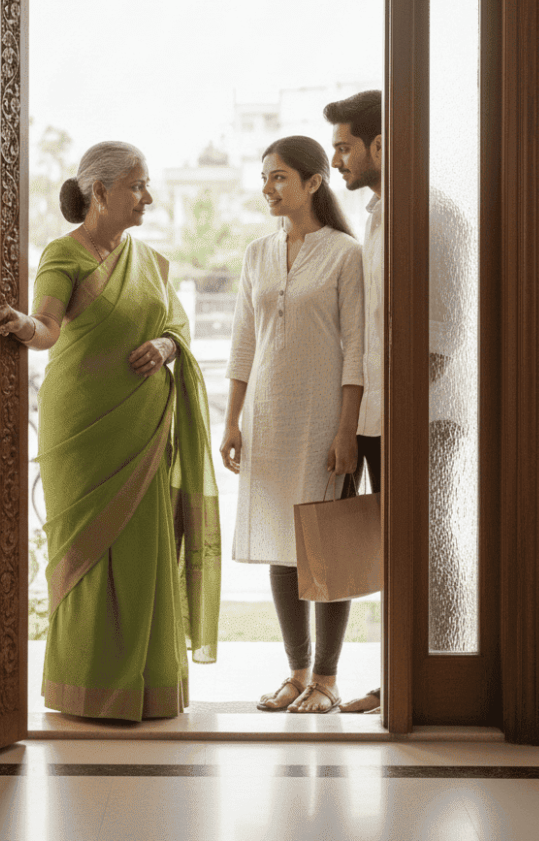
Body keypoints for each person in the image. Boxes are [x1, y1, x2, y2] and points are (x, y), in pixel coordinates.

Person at [0, 141, 220, 721]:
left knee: (145, 549)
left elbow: (176, 330)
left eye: (147, 184)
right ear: (101, 193)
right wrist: (19, 323)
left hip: (141, 425)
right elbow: (45, 328)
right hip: (83, 428)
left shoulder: (152, 263)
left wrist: (167, 346)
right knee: (86, 554)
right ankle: (83, 687)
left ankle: (148, 684)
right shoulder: (64, 255)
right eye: (137, 185)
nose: (147, 196)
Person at [325, 89, 472, 713]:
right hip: (384, 414)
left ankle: (435, 685)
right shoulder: (381, 215)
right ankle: (401, 682)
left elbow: (441, 339)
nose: (338, 163)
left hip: (425, 416)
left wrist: (400, 423)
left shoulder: (433, 214)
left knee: (428, 545)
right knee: (398, 548)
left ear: (381, 146)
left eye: (344, 148)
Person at [220, 135, 364, 714]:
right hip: (268, 418)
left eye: (280, 177)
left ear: (313, 182)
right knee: (284, 546)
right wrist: (231, 421)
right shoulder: (257, 253)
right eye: (264, 177)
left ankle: (327, 680)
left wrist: (347, 430)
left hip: (323, 417)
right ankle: (297, 671)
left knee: (324, 547)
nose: (268, 188)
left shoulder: (344, 255)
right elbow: (242, 342)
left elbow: (356, 349)